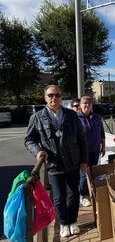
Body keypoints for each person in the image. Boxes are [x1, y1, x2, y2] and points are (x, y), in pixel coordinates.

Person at [24, 85, 87, 238]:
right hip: (54, 164)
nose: (54, 98)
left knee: (73, 194)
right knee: (58, 198)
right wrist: (38, 151)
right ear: (45, 97)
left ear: (61, 97)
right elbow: (29, 140)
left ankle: (73, 221)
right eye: (50, 95)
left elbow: (81, 139)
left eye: (57, 95)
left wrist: (84, 160)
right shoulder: (37, 117)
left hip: (73, 162)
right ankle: (64, 223)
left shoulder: (72, 115)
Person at [77, 96, 106, 207]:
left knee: (94, 171)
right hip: (82, 152)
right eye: (84, 103)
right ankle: (83, 195)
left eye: (89, 103)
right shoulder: (75, 118)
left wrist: (103, 146)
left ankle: (92, 191)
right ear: (80, 105)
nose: (87, 105)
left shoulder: (96, 117)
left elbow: (101, 133)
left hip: (95, 150)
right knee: (83, 174)